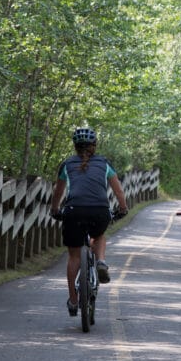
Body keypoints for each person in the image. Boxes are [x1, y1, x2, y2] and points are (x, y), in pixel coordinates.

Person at [51, 127, 128, 316]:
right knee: (99, 235)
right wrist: (123, 208)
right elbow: (118, 190)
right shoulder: (104, 163)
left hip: (73, 211)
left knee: (74, 256)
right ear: (95, 146)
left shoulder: (67, 164)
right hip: (99, 210)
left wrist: (54, 209)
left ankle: (73, 300)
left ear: (75, 146)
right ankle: (101, 261)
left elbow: (58, 192)